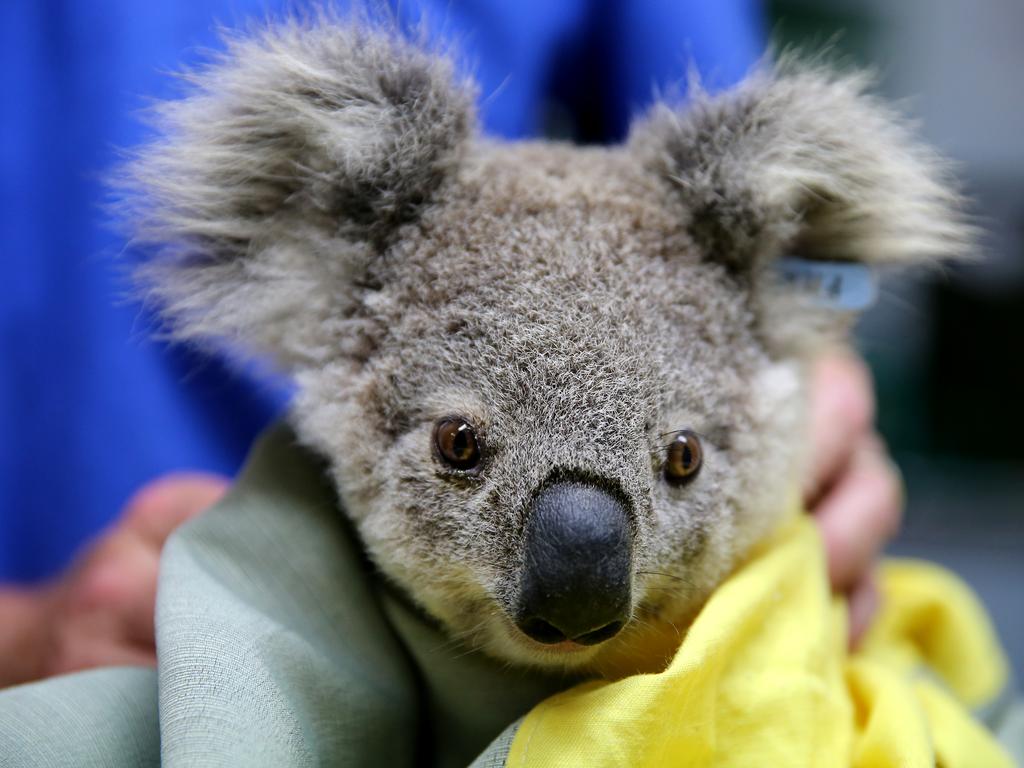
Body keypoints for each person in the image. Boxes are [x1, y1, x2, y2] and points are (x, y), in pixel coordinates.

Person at [0, 1, 901, 688]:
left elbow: (793, 274)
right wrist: (23, 641)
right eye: (460, 448)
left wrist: (814, 464)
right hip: (144, 637)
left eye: (680, 457)